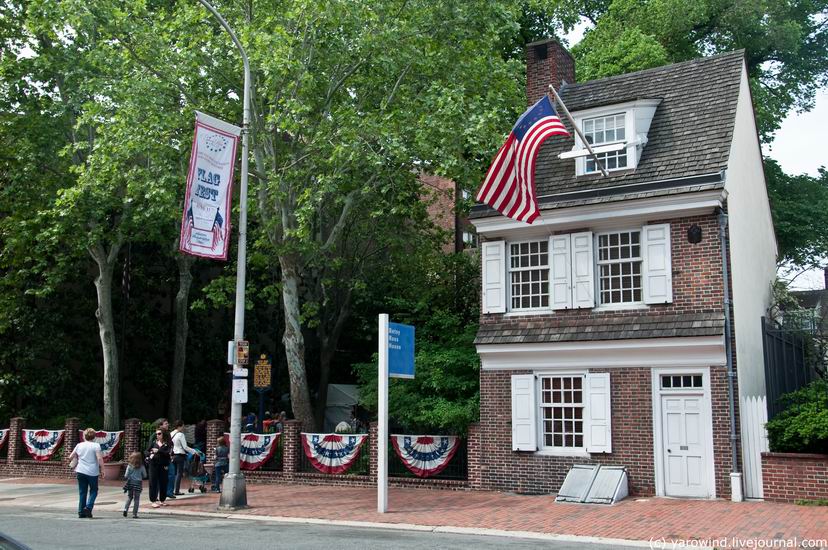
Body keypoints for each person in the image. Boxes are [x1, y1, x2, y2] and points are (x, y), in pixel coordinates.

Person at [69, 427, 105, 519]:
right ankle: (88, 507)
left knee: (82, 492)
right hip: (92, 472)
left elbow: (70, 456)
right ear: (94, 437)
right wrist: (103, 469)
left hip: (80, 470)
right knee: (93, 490)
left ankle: (81, 512)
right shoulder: (96, 446)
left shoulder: (79, 445)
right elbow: (99, 458)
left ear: (84, 436)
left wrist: (75, 459)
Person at [146, 427, 172, 508]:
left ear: (163, 434)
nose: (157, 435)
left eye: (159, 433)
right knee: (153, 482)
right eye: (156, 434)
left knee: (163, 482)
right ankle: (153, 500)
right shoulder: (154, 443)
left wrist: (159, 451)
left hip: (163, 465)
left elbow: (168, 453)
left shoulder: (168, 444)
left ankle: (162, 500)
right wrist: (150, 455)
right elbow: (146, 451)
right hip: (153, 465)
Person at [170, 420, 196, 496]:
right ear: (179, 426)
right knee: (179, 473)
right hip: (180, 455)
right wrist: (194, 451)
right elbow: (185, 447)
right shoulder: (181, 435)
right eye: (183, 426)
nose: (183, 427)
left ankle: (170, 490)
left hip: (173, 455)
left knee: (172, 474)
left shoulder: (171, 433)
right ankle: (177, 490)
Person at [122, 451, 147, 518]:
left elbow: (126, 475)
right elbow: (145, 475)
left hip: (130, 483)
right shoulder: (141, 466)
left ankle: (125, 509)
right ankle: (134, 514)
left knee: (129, 497)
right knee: (136, 499)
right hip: (138, 483)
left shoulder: (129, 466)